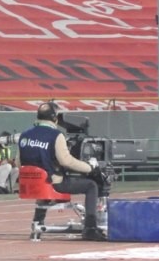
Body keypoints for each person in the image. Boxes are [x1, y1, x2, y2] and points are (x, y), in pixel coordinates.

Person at [17, 102, 106, 241]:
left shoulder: (24, 135)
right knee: (91, 185)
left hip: (31, 184)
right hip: (54, 184)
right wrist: (90, 167)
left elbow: (19, 162)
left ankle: (38, 223)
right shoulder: (56, 135)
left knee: (45, 179)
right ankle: (90, 228)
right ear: (54, 118)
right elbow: (66, 161)